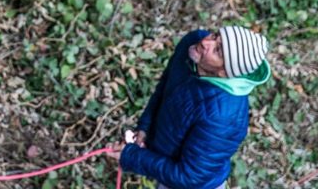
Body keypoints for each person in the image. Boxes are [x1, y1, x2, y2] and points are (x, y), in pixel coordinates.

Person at [116, 26, 271, 189]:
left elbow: (189, 176)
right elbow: (165, 87)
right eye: (215, 35)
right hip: (166, 159)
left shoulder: (224, 117)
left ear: (224, 73)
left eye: (217, 50)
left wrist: (132, 157)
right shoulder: (193, 45)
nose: (205, 42)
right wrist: (144, 128)